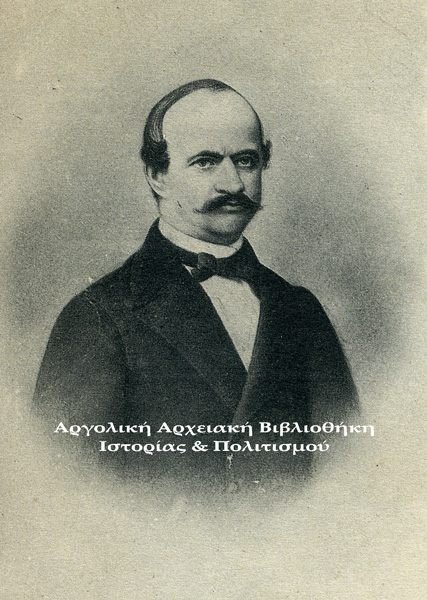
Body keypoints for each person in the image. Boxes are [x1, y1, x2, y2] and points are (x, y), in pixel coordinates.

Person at [33, 79, 358, 490]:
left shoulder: (299, 310)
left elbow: (350, 469)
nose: (233, 184)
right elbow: (65, 487)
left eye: (246, 160)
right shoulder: (99, 315)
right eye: (206, 162)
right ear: (158, 175)